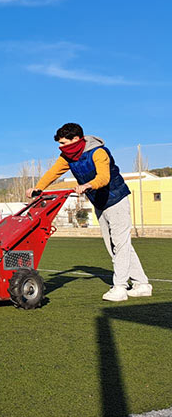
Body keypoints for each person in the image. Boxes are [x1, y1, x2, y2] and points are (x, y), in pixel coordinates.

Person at [27, 123, 151, 302]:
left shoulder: (98, 152)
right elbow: (53, 173)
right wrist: (37, 188)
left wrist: (87, 185)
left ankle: (120, 287)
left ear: (76, 140)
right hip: (100, 203)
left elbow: (104, 177)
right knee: (114, 245)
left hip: (116, 200)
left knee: (120, 244)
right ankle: (142, 284)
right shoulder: (67, 156)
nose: (61, 147)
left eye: (63, 143)